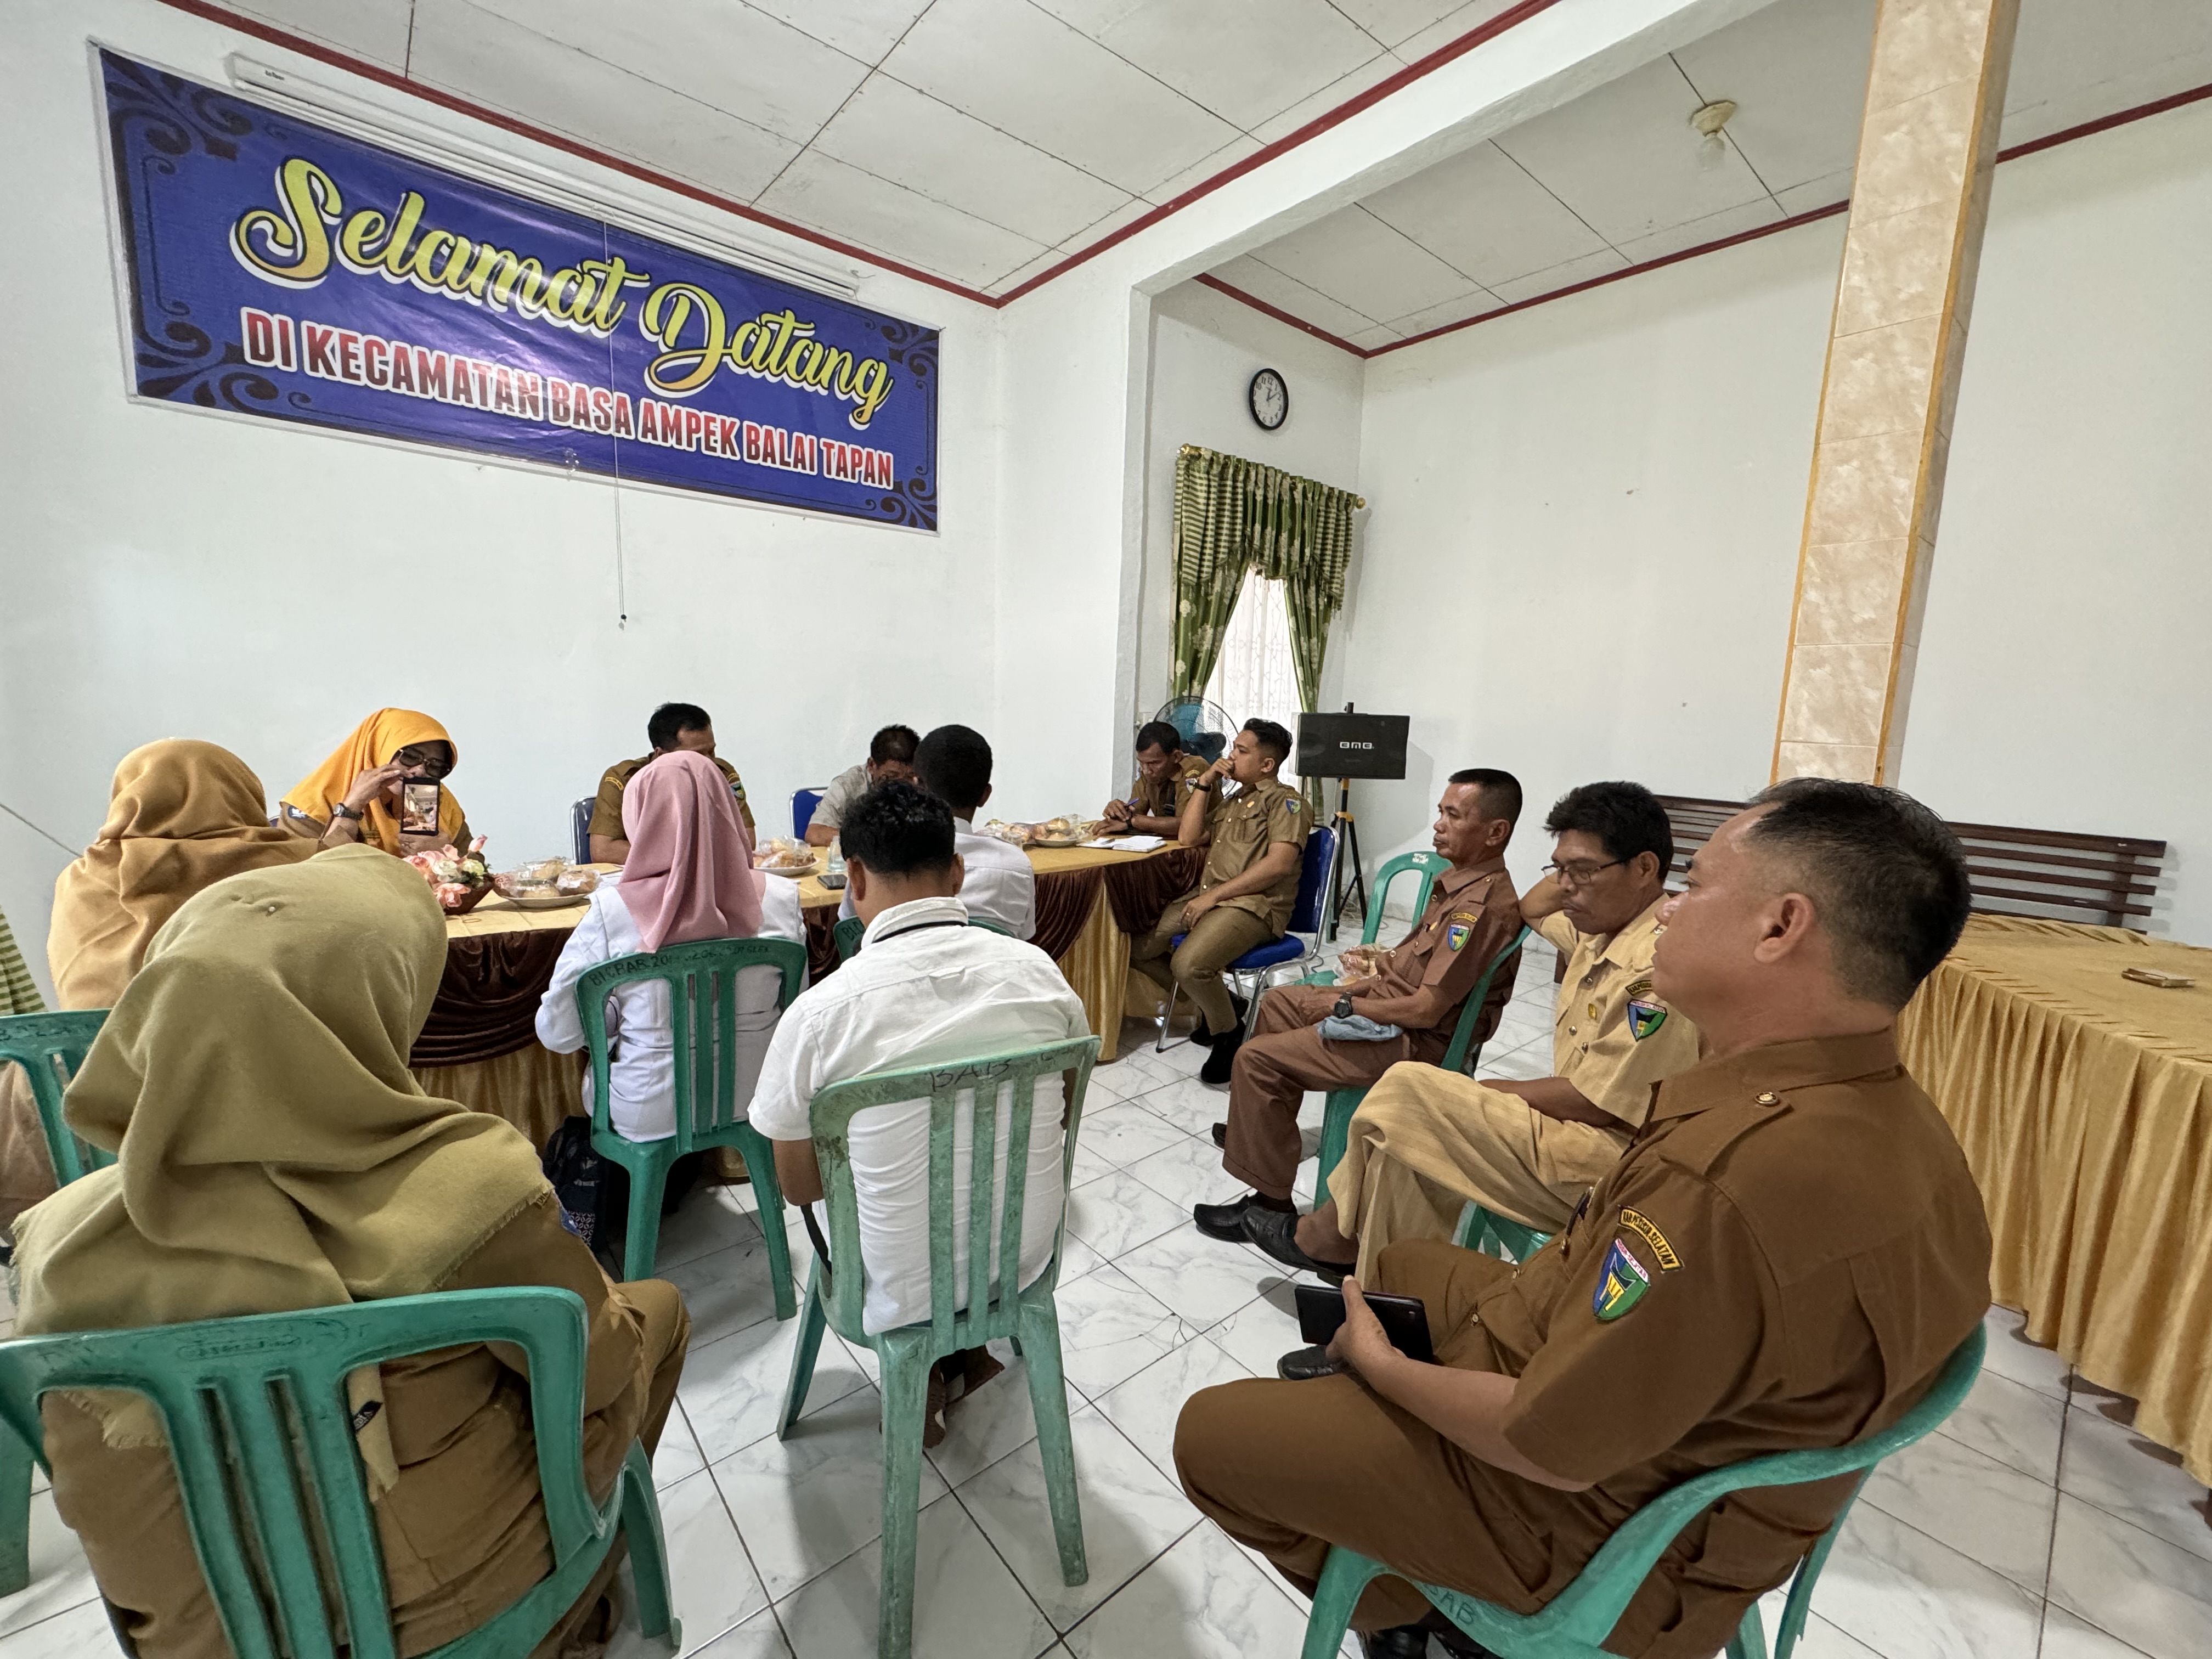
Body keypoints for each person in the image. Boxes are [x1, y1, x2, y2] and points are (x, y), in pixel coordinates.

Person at [1175, 780, 1991, 1659]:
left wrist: (1383, 1368)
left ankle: (1425, 1608)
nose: (1671, 910)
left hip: (1602, 1533)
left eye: (1697, 886)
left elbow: (1547, 1443)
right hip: (1638, 1416)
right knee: (1408, 1266)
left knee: (1212, 1438)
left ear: (1780, 927)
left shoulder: (1724, 1181)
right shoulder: (1899, 1123)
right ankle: (1397, 1460)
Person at [11, 847, 690, 1658]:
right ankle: (572, 1608)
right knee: (655, 1314)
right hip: (440, 1606)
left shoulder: (59, 1240)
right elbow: (598, 1369)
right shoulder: (466, 1185)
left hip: (212, 1634)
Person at [749, 782, 1088, 1441]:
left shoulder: (820, 1016)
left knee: (886, 1209)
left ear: (853, 878)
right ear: (957, 873)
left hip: (895, 1283)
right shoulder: (1040, 974)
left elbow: (801, 1186)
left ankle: (930, 1365)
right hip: (1022, 1262)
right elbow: (1064, 1110)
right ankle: (966, 1352)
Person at [1298, 781, 1702, 1287]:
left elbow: (1596, 1103)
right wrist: (1577, 871)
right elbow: (1533, 908)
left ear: (1644, 868)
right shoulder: (1601, 931)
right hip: (1575, 1130)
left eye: (1582, 871)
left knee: (1411, 1089)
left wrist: (1482, 1091)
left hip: (1612, 1158)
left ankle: (1332, 1240)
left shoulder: (1657, 969)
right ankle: (1386, 1293)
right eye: (1558, 869)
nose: (1565, 887)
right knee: (1409, 1140)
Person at [1193, 770, 1525, 1267]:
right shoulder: (1459, 885)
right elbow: (1410, 972)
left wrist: (1344, 1005)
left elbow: (1426, 1009)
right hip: (1392, 1011)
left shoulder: (1478, 908)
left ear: (1496, 832)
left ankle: (1269, 1202)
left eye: (1454, 816)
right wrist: (1362, 979)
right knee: (1280, 1004)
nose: (1438, 825)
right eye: (1441, 811)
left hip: (1415, 1042)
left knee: (1258, 1060)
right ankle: (1263, 1136)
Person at [537, 752, 792, 1199]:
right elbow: (793, 1009)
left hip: (646, 1108)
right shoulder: (783, 899)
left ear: (642, 818)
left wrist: (613, 1017)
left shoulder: (611, 912)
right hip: (758, 1094)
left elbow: (558, 1033)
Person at [48, 739, 313, 1011]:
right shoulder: (294, 861)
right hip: (247, 1030)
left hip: (99, 1035)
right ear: (240, 792)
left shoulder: (81, 876)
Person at [1131, 719, 1311, 1085]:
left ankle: (1229, 1036)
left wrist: (1214, 896)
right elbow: (1189, 836)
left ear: (1267, 764)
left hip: (1254, 906)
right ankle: (1227, 1004)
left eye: (1241, 751)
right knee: (1138, 948)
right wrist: (1204, 782)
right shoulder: (1234, 801)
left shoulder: (1286, 802)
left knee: (1188, 965)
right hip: (1213, 899)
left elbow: (1279, 864)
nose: (1231, 756)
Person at [905, 723, 1036, 940]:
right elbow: (1024, 939)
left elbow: (853, 932)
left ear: (917, 786)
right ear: (985, 795)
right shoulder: (1017, 866)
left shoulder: (881, 855)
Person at [280, 709, 470, 856]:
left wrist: (447, 856)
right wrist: (351, 806)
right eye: (411, 757)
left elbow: (478, 874)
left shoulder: (438, 803)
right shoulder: (313, 803)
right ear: (378, 749)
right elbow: (304, 874)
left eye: (436, 766)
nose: (420, 771)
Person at [588, 702, 757, 864]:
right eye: (696, 756)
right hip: (647, 878)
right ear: (662, 756)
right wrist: (684, 860)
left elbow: (747, 841)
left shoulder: (721, 774)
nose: (708, 763)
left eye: (712, 752)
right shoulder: (625, 780)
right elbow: (604, 851)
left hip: (708, 873)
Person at [805, 724, 919, 847]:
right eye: (891, 776)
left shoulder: (925, 778)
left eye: (910, 776)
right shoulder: (849, 785)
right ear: (871, 765)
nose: (900, 785)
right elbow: (815, 835)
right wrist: (870, 840)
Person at [1100, 720, 1216, 837]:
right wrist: (1119, 813)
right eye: (1142, 763)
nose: (1146, 771)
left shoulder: (1194, 770)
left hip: (1206, 843)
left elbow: (1187, 826)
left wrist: (1133, 821)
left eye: (1154, 763)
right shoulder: (1148, 771)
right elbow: (1134, 812)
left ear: (1176, 757)